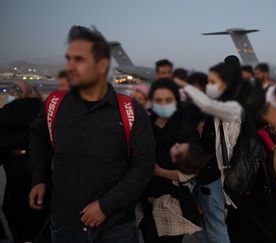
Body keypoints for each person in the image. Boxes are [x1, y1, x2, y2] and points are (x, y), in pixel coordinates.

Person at [28, 26, 155, 243]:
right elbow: (38, 137)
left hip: (115, 228)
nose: (70, 66)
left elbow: (143, 166)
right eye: (69, 58)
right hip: (65, 225)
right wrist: (38, 178)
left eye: (80, 59)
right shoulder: (54, 105)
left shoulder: (131, 111)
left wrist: (106, 205)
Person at [174, 61, 247, 243]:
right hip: (224, 173)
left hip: (212, 175)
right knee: (207, 225)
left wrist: (200, 131)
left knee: (215, 226)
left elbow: (210, 143)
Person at [140, 79, 201, 243]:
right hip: (145, 198)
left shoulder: (185, 130)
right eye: (159, 99)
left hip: (171, 204)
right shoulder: (146, 123)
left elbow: (190, 173)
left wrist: (160, 172)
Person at [0, 81, 48, 243]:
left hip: (16, 170)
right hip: (44, 176)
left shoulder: (8, 113)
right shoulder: (46, 112)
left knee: (16, 213)